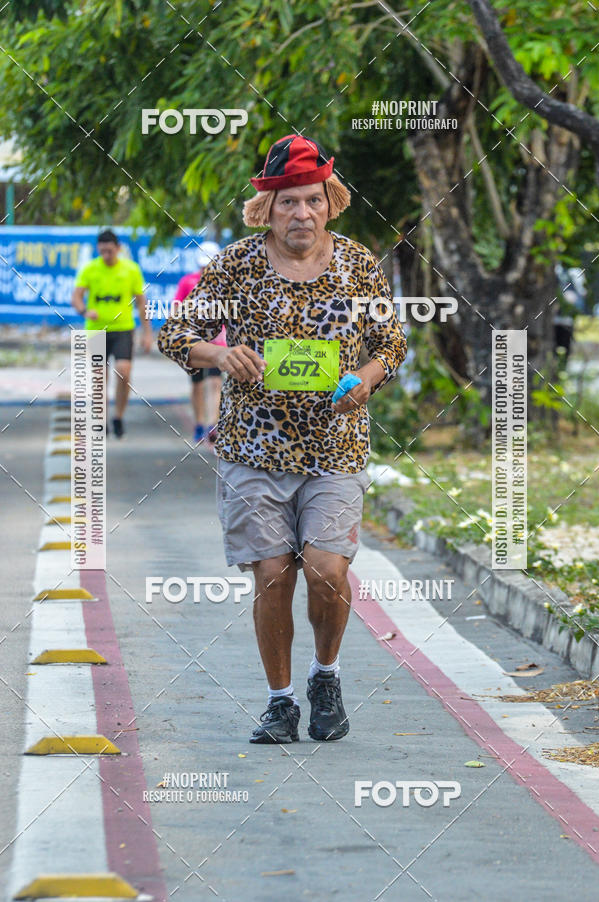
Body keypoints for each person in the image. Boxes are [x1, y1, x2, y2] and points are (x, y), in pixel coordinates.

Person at [158, 135, 407, 744]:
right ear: (267, 207)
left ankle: (327, 676)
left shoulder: (356, 265)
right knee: (272, 574)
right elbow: (174, 333)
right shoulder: (237, 266)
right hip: (254, 448)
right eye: (289, 202)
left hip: (335, 447)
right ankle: (280, 701)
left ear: (331, 202)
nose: (302, 214)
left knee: (325, 570)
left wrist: (366, 382)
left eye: (313, 201)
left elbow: (391, 343)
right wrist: (220, 352)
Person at [71, 229, 152, 437]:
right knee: (100, 377)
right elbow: (76, 297)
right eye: (102, 251)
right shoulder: (90, 269)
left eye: (109, 251)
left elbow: (142, 303)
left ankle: (118, 415)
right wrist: (84, 311)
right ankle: (101, 419)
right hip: (96, 330)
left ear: (117, 249)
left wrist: (147, 333)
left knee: (124, 371)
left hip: (123, 328)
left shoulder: (130, 269)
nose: (106, 255)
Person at [173, 241, 225, 446]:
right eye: (204, 265)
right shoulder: (188, 282)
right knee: (197, 384)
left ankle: (213, 425)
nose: (206, 269)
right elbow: (177, 308)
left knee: (214, 383)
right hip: (194, 342)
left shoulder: (224, 283)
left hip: (217, 342)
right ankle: (199, 422)